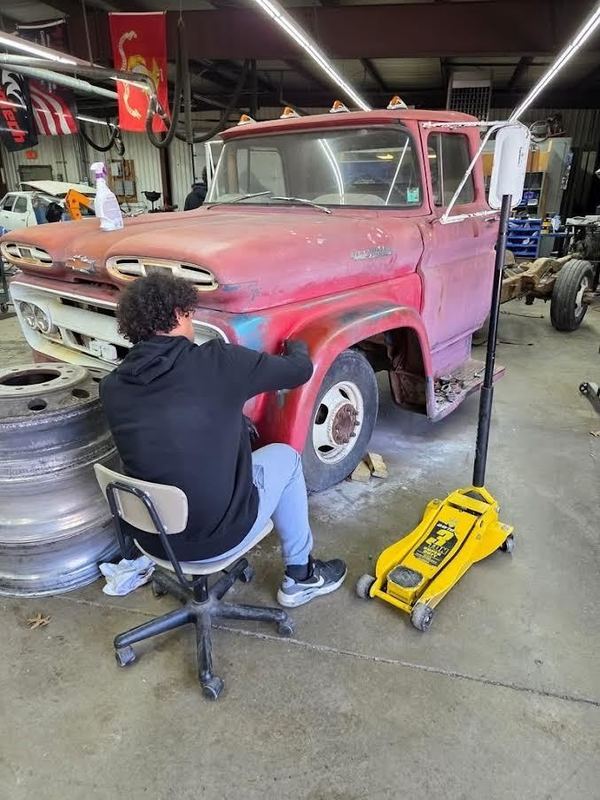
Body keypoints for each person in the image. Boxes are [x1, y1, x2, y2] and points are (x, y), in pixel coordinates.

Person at [100, 273, 347, 607]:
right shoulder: (218, 361)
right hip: (216, 539)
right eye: (190, 313)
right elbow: (298, 371)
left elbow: (168, 425)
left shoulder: (113, 386)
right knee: (285, 458)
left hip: (154, 539)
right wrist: (299, 346)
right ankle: (301, 578)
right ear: (178, 313)